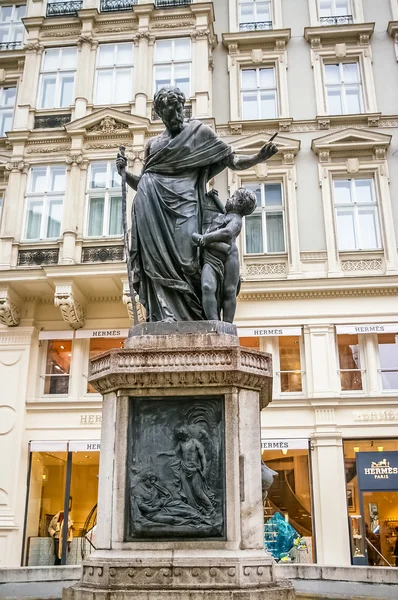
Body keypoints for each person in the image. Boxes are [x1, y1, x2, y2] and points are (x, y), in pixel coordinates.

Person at [116, 86, 278, 323]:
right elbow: (143, 182)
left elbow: (230, 160)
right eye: (170, 114)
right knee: (155, 264)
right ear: (160, 114)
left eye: (179, 110)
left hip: (187, 206)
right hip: (151, 207)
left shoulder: (199, 133)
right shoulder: (153, 145)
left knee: (189, 261)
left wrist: (257, 158)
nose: (176, 117)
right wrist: (123, 173)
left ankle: (196, 319)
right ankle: (164, 316)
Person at [192, 187, 257, 323]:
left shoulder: (237, 219)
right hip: (211, 257)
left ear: (239, 204)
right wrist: (214, 198)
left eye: (232, 197)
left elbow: (227, 232)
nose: (228, 198)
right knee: (207, 287)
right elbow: (223, 209)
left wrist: (206, 238)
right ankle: (214, 324)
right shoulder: (224, 215)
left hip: (229, 258)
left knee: (229, 292)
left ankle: (227, 326)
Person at [158, 426, 216, 517]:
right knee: (187, 492)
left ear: (187, 433)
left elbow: (202, 457)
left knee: (198, 492)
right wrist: (163, 453)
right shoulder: (181, 443)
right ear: (181, 436)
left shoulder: (195, 442)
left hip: (194, 470)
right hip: (184, 469)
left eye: (184, 432)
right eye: (182, 433)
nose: (184, 434)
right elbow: (174, 452)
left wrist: (204, 470)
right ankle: (196, 511)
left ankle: (211, 510)